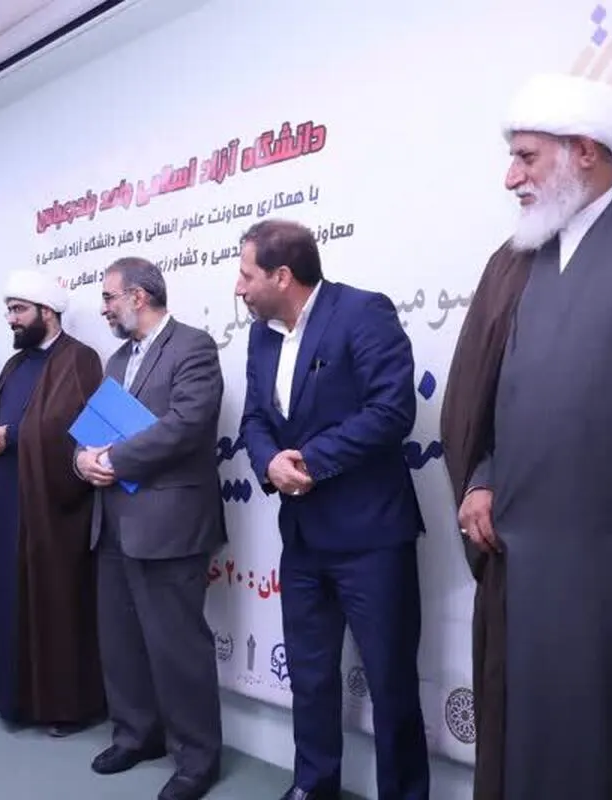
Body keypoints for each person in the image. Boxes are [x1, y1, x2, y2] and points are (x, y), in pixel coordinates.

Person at [440, 73, 612, 800]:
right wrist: (480, 478)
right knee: (530, 738)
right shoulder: (512, 262)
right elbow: (480, 404)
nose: (510, 178)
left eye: (527, 157)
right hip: (525, 559)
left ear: (585, 152)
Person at [235, 219, 429, 800]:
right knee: (311, 676)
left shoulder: (363, 312)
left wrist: (309, 461)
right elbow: (254, 419)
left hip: (372, 538)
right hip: (302, 539)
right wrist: (270, 463)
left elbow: (391, 410)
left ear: (282, 276)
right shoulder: (261, 337)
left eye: (246, 276)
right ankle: (313, 786)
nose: (239, 289)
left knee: (391, 683)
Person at [74, 257, 225, 800]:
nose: (103, 308)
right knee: (121, 642)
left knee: (177, 647)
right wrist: (81, 461)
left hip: (171, 525)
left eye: (109, 297)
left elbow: (187, 426)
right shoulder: (117, 360)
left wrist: (112, 459)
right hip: (113, 522)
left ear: (138, 296)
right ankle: (136, 735)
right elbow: (90, 431)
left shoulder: (193, 347)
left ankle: (197, 759)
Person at [0, 270, 107, 737]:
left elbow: (81, 431)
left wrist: (12, 435)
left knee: (53, 603)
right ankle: (7, 688)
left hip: (48, 507)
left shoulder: (80, 359)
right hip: (2, 501)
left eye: (18, 310)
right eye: (9, 310)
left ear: (47, 312)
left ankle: (62, 705)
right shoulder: (16, 364)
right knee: (4, 594)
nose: (11, 319)